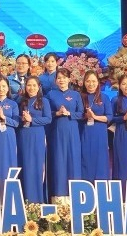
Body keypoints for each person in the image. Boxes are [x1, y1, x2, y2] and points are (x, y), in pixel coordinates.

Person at [46, 68, 83, 202]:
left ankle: (75, 196)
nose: (61, 80)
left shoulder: (75, 95)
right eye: (59, 78)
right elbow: (46, 113)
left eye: (64, 77)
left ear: (69, 79)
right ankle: (58, 196)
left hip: (72, 130)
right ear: (56, 80)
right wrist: (57, 113)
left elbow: (81, 113)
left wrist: (69, 113)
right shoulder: (51, 94)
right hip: (57, 130)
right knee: (58, 160)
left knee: (73, 159)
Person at [16, 76, 51, 203]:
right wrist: (22, 119)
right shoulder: (21, 101)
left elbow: (48, 119)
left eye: (34, 85)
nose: (31, 88)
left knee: (36, 165)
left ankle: (37, 199)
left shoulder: (44, 101)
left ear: (39, 87)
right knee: (24, 165)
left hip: (37, 135)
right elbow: (16, 117)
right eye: (29, 85)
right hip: (23, 135)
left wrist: (32, 120)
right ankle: (24, 199)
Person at [79, 70, 111, 181]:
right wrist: (85, 116)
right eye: (88, 81)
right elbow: (77, 114)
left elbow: (109, 117)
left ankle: (101, 186)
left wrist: (95, 117)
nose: (91, 84)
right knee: (85, 158)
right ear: (84, 82)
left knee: (100, 159)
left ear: (98, 82)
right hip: (84, 132)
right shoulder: (80, 97)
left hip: (100, 133)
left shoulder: (104, 97)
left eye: (93, 81)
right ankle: (86, 186)